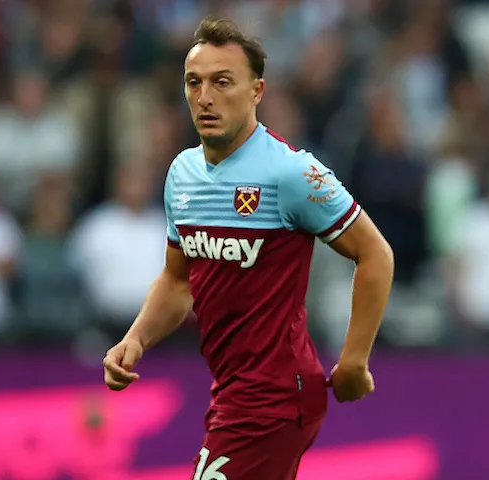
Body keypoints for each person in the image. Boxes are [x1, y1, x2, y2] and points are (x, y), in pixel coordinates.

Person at [103, 16, 394, 480]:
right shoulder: (182, 174)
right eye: (194, 83)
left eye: (222, 82)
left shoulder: (291, 173)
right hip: (232, 391)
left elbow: (375, 253)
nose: (205, 97)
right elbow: (178, 281)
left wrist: (355, 359)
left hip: (276, 396)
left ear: (257, 91)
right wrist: (135, 339)